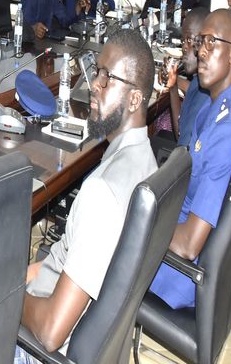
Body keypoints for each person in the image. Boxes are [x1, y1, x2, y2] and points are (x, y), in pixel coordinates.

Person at [16, 29, 157, 358]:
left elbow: (50, 332)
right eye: (97, 72)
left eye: (108, 78)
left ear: (135, 99)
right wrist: (25, 276)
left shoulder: (101, 193)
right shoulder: (146, 161)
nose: (95, 84)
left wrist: (6, 296)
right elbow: (68, 259)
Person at [149, 9, 231, 309]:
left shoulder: (225, 132)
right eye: (201, 41)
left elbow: (189, 245)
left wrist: (143, 223)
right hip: (176, 229)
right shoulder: (220, 103)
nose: (201, 51)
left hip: (178, 273)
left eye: (211, 43)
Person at [160, 8, 211, 146]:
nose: (184, 47)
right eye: (183, 41)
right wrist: (173, 85)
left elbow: (180, 139)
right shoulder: (199, 79)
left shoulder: (204, 94)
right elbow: (180, 131)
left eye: (190, 40)